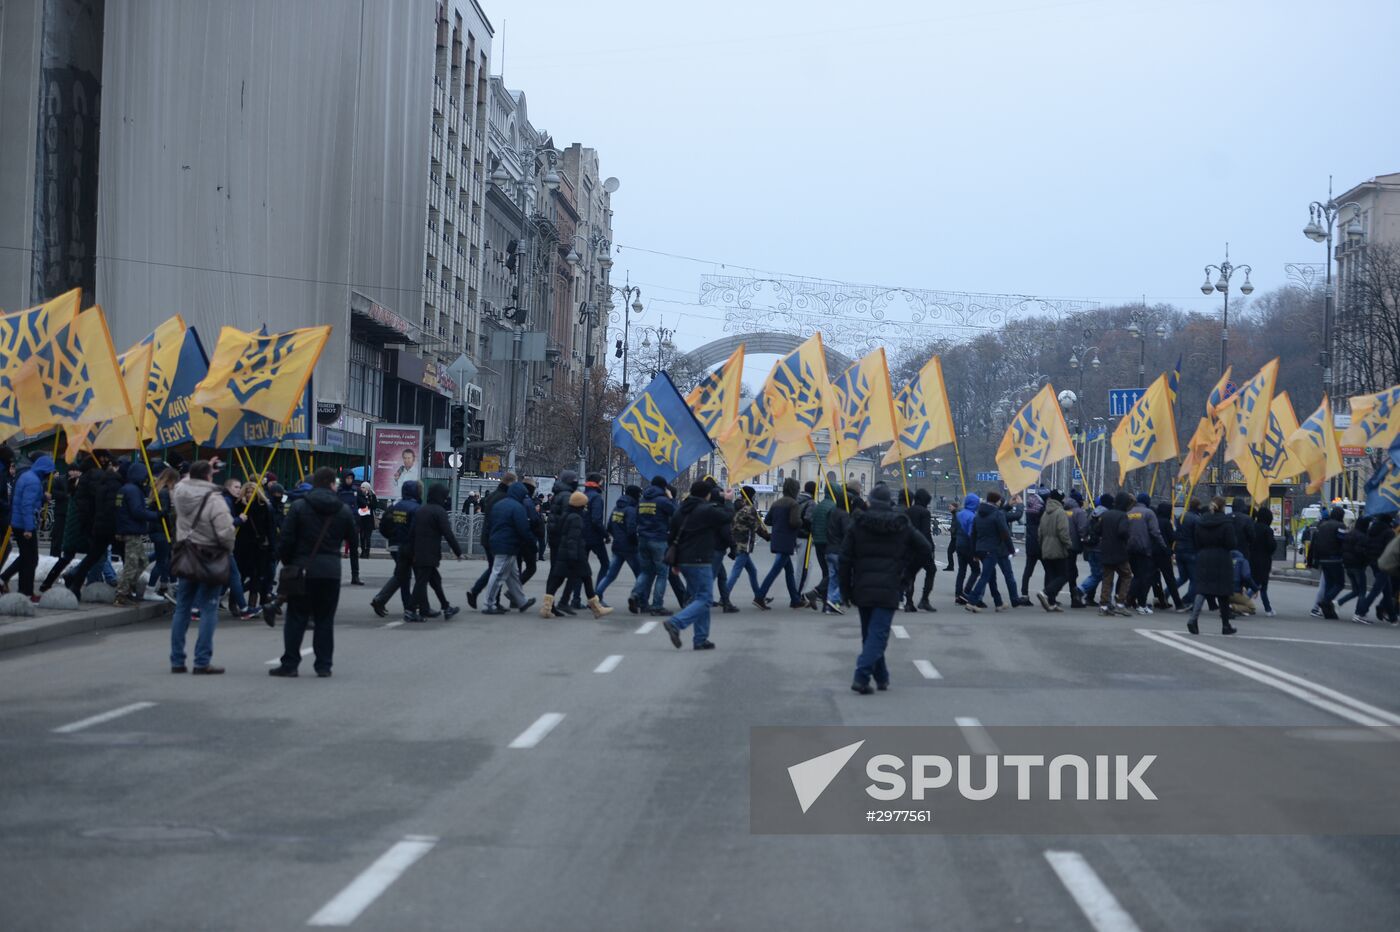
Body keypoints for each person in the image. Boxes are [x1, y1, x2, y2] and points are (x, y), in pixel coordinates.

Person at [842, 484, 932, 693]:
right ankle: (863, 676)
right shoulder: (901, 525)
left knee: (870, 634)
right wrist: (907, 573)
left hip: (862, 586)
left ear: (871, 501)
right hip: (890, 586)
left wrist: (846, 589)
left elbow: (845, 559)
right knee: (878, 634)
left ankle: (881, 677)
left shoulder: (858, 523)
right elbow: (924, 548)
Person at [269, 467, 357, 677]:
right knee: (325, 619)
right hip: (330, 572)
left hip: (302, 569)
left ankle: (290, 664)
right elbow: (353, 540)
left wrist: (291, 562)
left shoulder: (299, 507)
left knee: (296, 617)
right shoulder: (343, 509)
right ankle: (324, 665)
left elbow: (286, 540)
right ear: (332, 485)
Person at [169, 460, 237, 674]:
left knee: (182, 608)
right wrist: (228, 549)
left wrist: (203, 468)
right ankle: (201, 661)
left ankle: (177, 660)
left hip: (186, 555)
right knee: (208, 608)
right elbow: (226, 531)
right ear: (209, 476)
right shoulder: (215, 500)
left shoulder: (179, 492)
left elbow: (185, 481)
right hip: (209, 557)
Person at [659, 479, 733, 650]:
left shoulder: (680, 510)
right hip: (700, 560)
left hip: (684, 561)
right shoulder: (706, 510)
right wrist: (728, 501)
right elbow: (727, 518)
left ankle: (700, 639)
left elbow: (672, 538)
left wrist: (676, 563)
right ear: (707, 495)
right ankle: (675, 623)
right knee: (705, 599)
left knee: (699, 597)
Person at [542, 490, 612, 618]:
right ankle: (596, 608)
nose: (585, 508)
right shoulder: (576, 518)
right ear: (579, 505)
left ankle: (547, 607)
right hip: (575, 554)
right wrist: (574, 556)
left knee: (559, 580)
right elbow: (573, 538)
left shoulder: (567, 515)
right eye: (584, 505)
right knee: (586, 577)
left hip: (566, 552)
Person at [63, 457, 122, 597]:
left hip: (94, 524)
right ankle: (91, 582)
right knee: (100, 555)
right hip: (103, 525)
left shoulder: (89, 479)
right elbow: (106, 506)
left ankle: (77, 580)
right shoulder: (105, 480)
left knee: (96, 555)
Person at [405, 484, 461, 622]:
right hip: (429, 553)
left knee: (435, 580)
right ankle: (410, 610)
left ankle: (446, 607)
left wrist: (411, 552)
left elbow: (411, 533)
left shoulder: (421, 510)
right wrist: (458, 551)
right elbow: (448, 533)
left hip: (419, 552)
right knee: (421, 582)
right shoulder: (439, 511)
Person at [1184, 496, 1239, 636]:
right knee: (1223, 592)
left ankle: (1193, 619)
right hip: (1222, 558)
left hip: (1204, 557)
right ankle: (1225, 625)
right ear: (1223, 507)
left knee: (1202, 589)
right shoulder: (1226, 522)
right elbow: (1232, 543)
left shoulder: (1201, 521)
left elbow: (1196, 541)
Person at [483, 480, 538, 615]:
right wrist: (532, 543)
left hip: (496, 541)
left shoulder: (499, 505)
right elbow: (523, 529)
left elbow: (490, 523)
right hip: (508, 545)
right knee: (498, 574)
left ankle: (521, 601)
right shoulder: (517, 508)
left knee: (513, 575)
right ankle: (488, 604)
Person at [369, 481, 420, 618]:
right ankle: (381, 599)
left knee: (403, 574)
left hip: (393, 545)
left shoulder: (394, 506)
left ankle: (408, 605)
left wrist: (391, 537)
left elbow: (383, 525)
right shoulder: (414, 507)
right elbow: (415, 530)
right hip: (407, 546)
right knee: (402, 575)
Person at [466, 472, 517, 609]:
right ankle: (485, 597)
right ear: (511, 483)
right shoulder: (504, 497)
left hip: (488, 536)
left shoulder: (494, 495)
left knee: (495, 569)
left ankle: (478, 593)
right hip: (496, 537)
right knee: (497, 570)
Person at [111, 462, 159, 606]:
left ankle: (127, 589)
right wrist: (156, 515)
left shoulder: (127, 489)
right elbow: (137, 511)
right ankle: (121, 594)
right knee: (132, 564)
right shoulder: (132, 490)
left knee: (142, 561)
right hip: (131, 532)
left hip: (129, 530)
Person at [754, 477, 806, 610]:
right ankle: (759, 596)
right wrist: (802, 522)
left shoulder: (776, 503)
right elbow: (794, 522)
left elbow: (768, 521)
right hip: (787, 541)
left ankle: (795, 599)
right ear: (795, 490)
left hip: (777, 539)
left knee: (789, 571)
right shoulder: (793, 504)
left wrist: (779, 524)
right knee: (774, 571)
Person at [6, 454, 53, 598]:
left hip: (19, 522)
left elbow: (27, 498)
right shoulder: (33, 481)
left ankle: (24, 591)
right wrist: (28, 528)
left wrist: (42, 497)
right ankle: (24, 591)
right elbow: (27, 505)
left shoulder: (28, 476)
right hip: (25, 525)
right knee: (31, 559)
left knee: (28, 558)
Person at [629, 476, 676, 616]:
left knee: (646, 571)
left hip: (642, 538)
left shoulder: (642, 500)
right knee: (662, 573)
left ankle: (636, 594)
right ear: (663, 487)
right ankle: (657, 605)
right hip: (658, 539)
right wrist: (671, 498)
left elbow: (636, 517)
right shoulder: (662, 500)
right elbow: (676, 512)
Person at [964, 491, 1018, 612]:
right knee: (985, 576)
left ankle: (998, 602)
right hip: (992, 549)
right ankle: (972, 601)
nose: (1000, 502)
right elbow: (1004, 533)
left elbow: (973, 535)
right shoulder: (997, 514)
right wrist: (1011, 550)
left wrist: (974, 553)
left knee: (991, 577)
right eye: (999, 500)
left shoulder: (978, 514)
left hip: (980, 549)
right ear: (996, 501)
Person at [597, 485, 641, 606]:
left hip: (617, 546)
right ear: (635, 495)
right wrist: (635, 542)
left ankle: (596, 597)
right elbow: (632, 530)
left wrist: (617, 537)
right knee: (641, 575)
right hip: (630, 548)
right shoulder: (631, 509)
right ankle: (637, 597)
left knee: (610, 575)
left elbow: (609, 526)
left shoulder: (617, 507)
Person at [234, 482, 274, 612]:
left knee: (257, 576)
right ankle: (234, 602)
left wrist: (272, 546)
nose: (250, 494)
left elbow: (270, 528)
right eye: (247, 492)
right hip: (242, 546)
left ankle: (252, 604)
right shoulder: (239, 506)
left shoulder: (264, 507)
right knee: (240, 575)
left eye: (252, 492)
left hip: (259, 546)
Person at [726, 486, 769, 603]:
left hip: (738, 542)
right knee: (736, 572)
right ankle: (724, 596)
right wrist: (767, 536)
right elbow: (756, 526)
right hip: (744, 544)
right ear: (750, 495)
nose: (754, 497)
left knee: (752, 571)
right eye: (753, 495)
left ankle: (759, 596)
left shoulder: (739, 505)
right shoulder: (748, 509)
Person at [1124, 493, 1166, 614]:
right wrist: (1163, 546)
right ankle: (1138, 602)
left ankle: (1132, 600)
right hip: (1144, 549)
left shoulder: (1129, 512)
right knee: (1143, 577)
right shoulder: (1149, 513)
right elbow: (1155, 532)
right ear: (1147, 501)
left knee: (1135, 575)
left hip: (1130, 549)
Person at [1353, 513, 1396, 625]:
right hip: (1385, 563)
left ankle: (1393, 618)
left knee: (1387, 591)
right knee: (1376, 590)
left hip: (1373, 561)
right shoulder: (1389, 532)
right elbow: (1391, 549)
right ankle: (1360, 612)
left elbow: (1367, 544)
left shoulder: (1372, 529)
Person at [1035, 489, 1073, 611]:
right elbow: (1063, 532)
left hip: (1045, 547)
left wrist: (1042, 545)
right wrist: (1068, 545)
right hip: (1058, 548)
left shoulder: (1045, 513)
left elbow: (1039, 532)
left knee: (1051, 575)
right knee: (1064, 575)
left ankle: (1051, 602)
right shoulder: (1060, 513)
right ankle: (1045, 592)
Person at [901, 488, 938, 612]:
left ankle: (909, 602)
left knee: (910, 574)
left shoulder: (908, 511)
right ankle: (924, 600)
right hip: (922, 548)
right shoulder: (925, 512)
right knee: (931, 570)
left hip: (909, 548)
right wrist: (931, 547)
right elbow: (926, 532)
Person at [1307, 507, 1347, 618]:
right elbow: (1343, 541)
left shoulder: (1322, 526)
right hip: (1335, 559)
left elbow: (1316, 542)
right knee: (1339, 583)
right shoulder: (1340, 526)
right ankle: (1325, 601)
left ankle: (1328, 611)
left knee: (1329, 584)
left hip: (1322, 559)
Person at [148, 467, 180, 602]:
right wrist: (173, 506)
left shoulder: (157, 490)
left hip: (157, 530)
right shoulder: (165, 492)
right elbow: (165, 512)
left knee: (166, 559)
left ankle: (166, 586)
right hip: (162, 530)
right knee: (162, 561)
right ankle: (149, 590)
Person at [1151, 501, 1186, 611]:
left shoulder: (1154, 520)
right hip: (1164, 553)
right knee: (1170, 579)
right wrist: (1179, 533)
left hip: (1153, 553)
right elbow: (1171, 537)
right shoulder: (1166, 522)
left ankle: (1159, 600)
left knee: (1154, 578)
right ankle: (1178, 603)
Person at [822, 487, 852, 614]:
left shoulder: (831, 512)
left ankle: (829, 604)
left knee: (833, 578)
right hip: (839, 550)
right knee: (846, 578)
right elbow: (847, 533)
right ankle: (834, 599)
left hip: (829, 549)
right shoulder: (844, 515)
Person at [581, 472, 609, 588]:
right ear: (598, 483)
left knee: (581, 568)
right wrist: (606, 535)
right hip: (594, 537)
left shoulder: (582, 495)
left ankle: (575, 599)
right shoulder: (597, 497)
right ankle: (598, 594)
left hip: (581, 536)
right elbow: (596, 520)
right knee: (605, 564)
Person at [1249, 505, 1278, 617]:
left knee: (1254, 582)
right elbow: (1271, 546)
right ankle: (1267, 608)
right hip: (1264, 560)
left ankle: (1267, 607)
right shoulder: (1267, 530)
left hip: (1252, 558)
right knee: (1262, 585)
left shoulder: (1252, 526)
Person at [336, 473, 364, 585]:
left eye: (351, 478)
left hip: (353, 524)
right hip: (339, 523)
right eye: (347, 478)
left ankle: (355, 576)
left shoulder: (356, 491)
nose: (349, 480)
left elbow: (362, 504)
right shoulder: (338, 491)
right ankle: (335, 575)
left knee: (354, 551)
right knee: (334, 550)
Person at [953, 493, 980, 604]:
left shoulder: (959, 514)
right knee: (976, 570)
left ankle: (958, 594)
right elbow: (971, 534)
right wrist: (975, 552)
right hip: (968, 546)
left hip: (958, 545)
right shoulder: (972, 517)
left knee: (961, 571)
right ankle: (966, 592)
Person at [1019, 488, 1046, 600]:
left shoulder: (1030, 508)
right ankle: (1047, 595)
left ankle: (1024, 594)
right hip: (1041, 545)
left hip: (1030, 544)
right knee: (1049, 570)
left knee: (1028, 570)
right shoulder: (1042, 510)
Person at [47, 460, 69, 559]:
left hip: (72, 513)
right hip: (61, 512)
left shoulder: (80, 481)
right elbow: (52, 492)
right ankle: (54, 556)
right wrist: (65, 495)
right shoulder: (60, 480)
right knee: (58, 536)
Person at [358, 482, 377, 559]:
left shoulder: (372, 495)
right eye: (361, 487)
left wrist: (368, 502)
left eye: (363, 487)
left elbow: (374, 506)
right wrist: (366, 504)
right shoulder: (360, 495)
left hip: (369, 519)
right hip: (362, 518)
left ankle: (367, 552)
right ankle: (363, 551)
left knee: (368, 537)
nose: (362, 489)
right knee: (362, 536)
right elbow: (360, 504)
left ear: (367, 488)